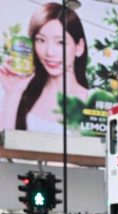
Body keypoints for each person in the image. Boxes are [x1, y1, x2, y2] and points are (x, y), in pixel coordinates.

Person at [0, 3, 89, 132]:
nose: (49, 52)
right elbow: (4, 148)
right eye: (41, 40)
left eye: (60, 42)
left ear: (79, 47)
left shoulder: (97, 103)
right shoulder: (16, 94)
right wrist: (13, 93)